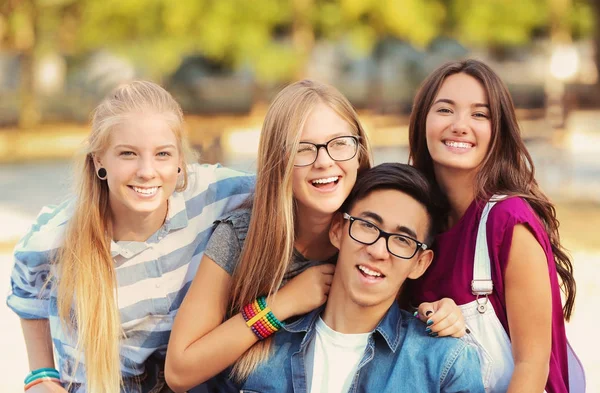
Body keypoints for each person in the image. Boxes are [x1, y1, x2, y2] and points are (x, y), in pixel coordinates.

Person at [165, 80, 466, 392]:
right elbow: (179, 370)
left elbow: (411, 302)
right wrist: (281, 305)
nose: (324, 161)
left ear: (359, 150)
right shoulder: (243, 236)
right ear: (278, 160)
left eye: (339, 143)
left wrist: (445, 311)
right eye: (303, 149)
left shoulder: (373, 231)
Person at [6, 81, 255, 393]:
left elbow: (286, 193)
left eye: (163, 154)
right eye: (128, 154)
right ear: (99, 161)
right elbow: (27, 288)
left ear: (180, 159)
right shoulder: (57, 237)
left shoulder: (214, 195)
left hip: (196, 381)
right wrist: (40, 375)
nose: (147, 171)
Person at [239, 163, 485, 393]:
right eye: (368, 226)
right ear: (337, 230)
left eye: (403, 240)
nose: (378, 251)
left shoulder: (446, 362)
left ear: (420, 263)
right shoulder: (259, 345)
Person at [407, 59, 576, 393]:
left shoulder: (509, 220)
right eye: (444, 110)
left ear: (498, 130)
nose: (459, 125)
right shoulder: (415, 223)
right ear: (422, 121)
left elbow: (532, 366)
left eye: (479, 114)